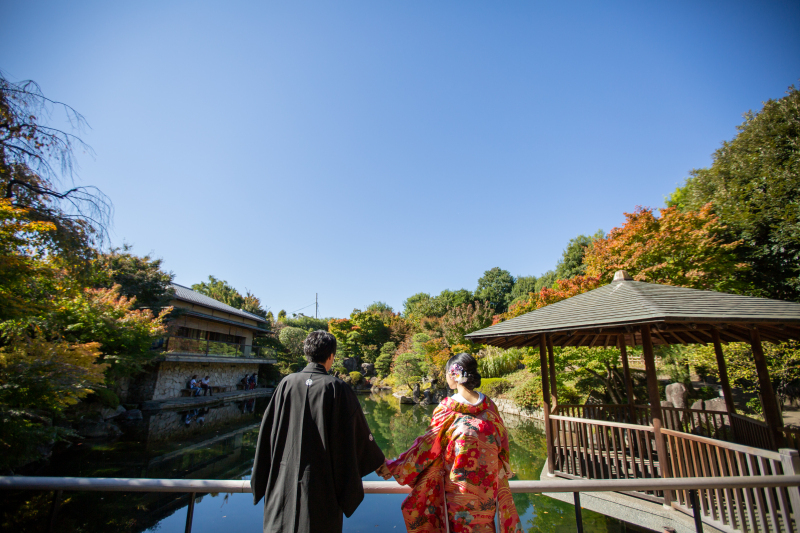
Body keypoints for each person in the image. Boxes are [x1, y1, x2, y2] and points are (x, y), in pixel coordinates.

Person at [251, 330, 386, 533]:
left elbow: (266, 435)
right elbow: (358, 438)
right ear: (331, 356)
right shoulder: (337, 389)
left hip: (282, 487)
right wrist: (379, 462)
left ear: (307, 353)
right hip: (322, 492)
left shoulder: (285, 384)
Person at [377, 353, 521, 533]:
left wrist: (394, 466)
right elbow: (503, 445)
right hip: (489, 493)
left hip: (458, 498)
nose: (445, 376)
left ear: (454, 375)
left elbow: (426, 447)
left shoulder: (447, 409)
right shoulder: (490, 407)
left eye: (446, 373)